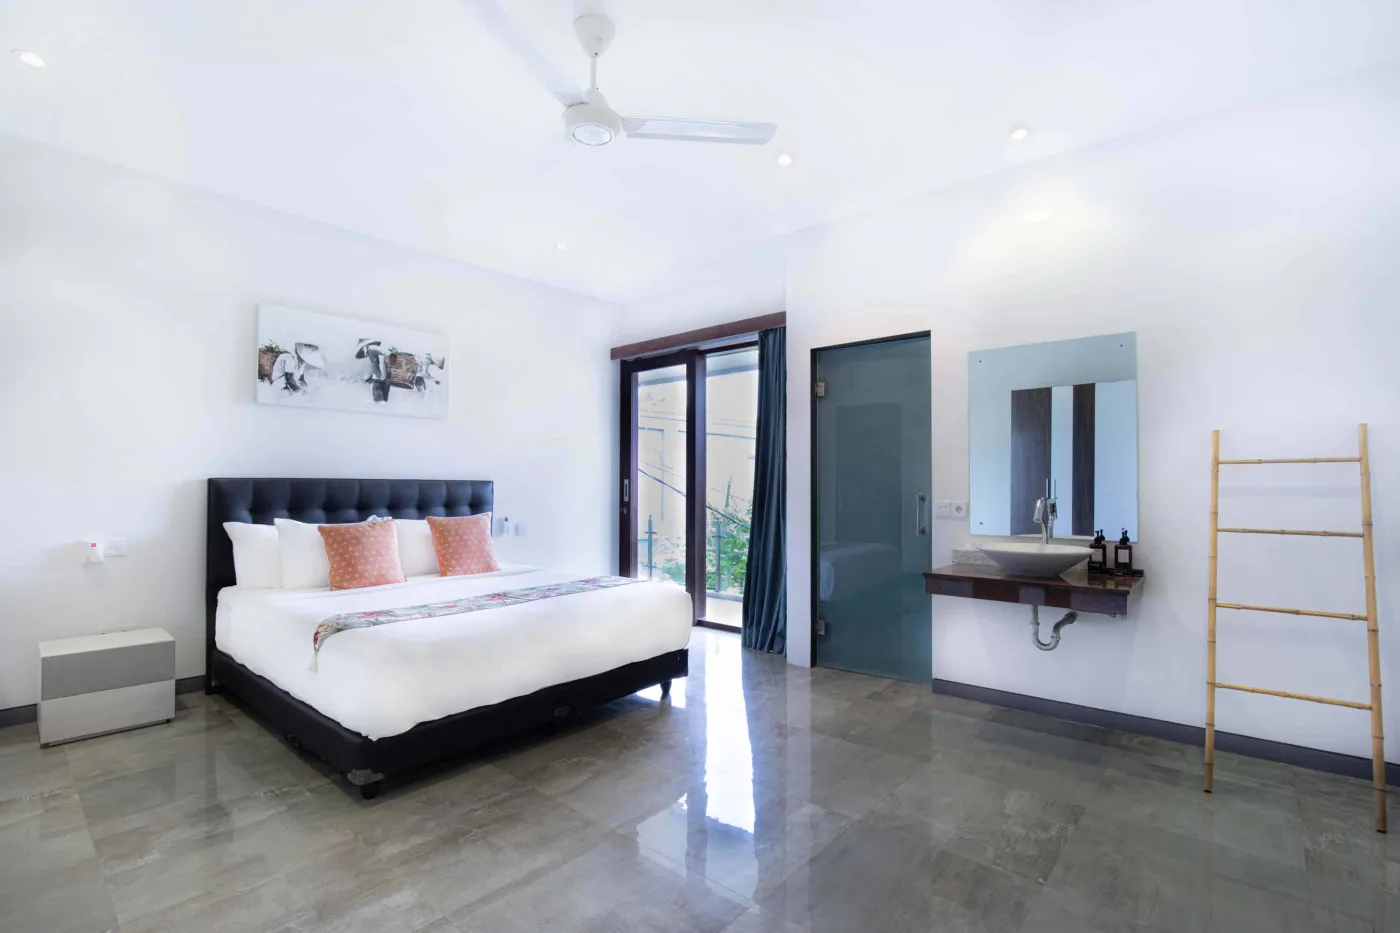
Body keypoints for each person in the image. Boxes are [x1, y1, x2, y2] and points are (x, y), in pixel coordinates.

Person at [356, 338, 391, 403]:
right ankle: (380, 402)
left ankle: (379, 402)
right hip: (382, 379)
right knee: (382, 396)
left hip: (381, 379)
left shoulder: (373, 352)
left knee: (380, 397)